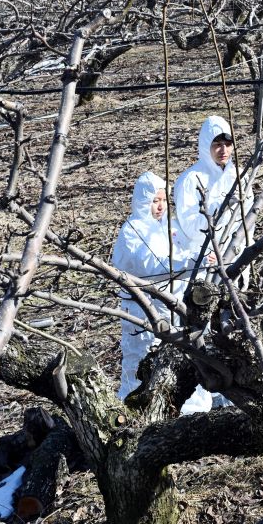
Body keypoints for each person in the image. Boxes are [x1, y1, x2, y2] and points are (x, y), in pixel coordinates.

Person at [111, 170, 183, 400]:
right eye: (155, 201)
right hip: (142, 310)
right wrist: (186, 262)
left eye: (163, 200)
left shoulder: (165, 227)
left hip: (171, 306)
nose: (160, 206)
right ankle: (136, 401)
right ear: (144, 201)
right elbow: (149, 265)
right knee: (142, 358)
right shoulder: (133, 230)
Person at [174, 114, 252, 280]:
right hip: (204, 263)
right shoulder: (192, 180)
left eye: (228, 144)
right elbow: (190, 227)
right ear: (205, 145)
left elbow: (248, 219)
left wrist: (241, 249)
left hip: (235, 257)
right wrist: (220, 208)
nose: (223, 150)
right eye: (217, 145)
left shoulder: (238, 176)